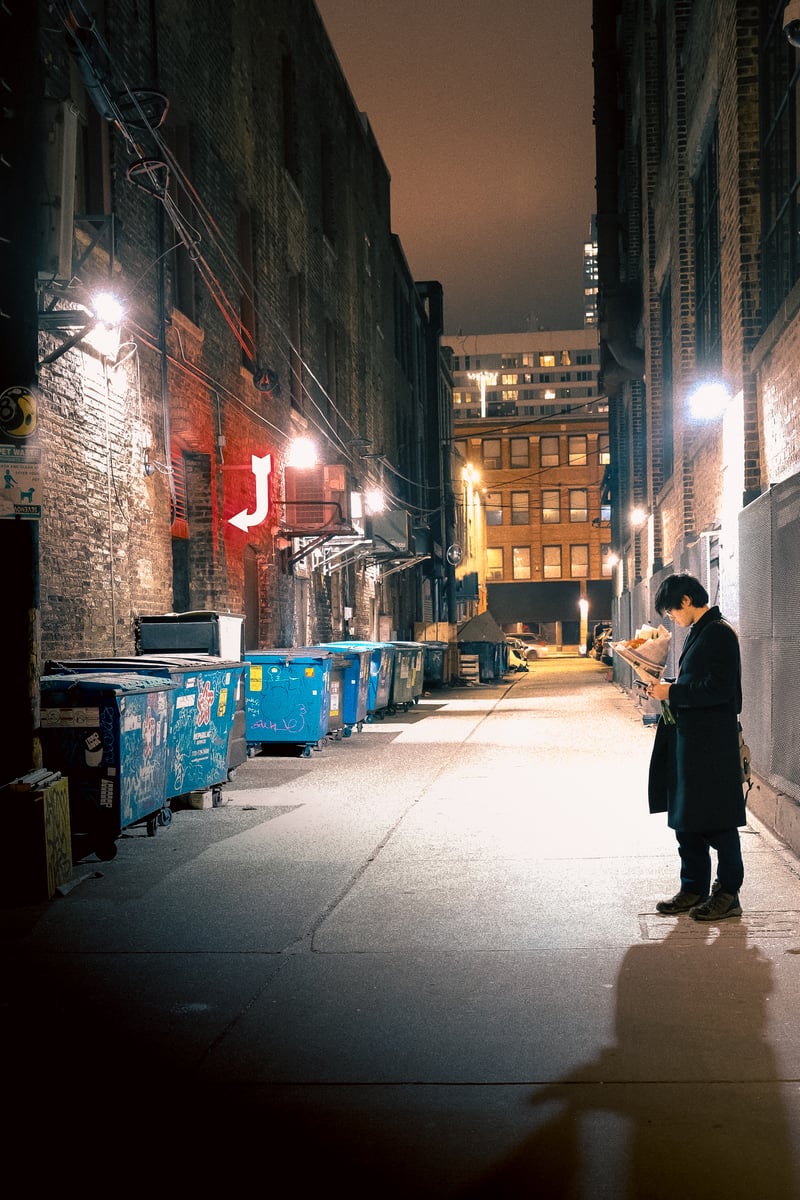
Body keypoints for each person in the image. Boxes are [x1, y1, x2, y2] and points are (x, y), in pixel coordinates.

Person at [646, 573, 746, 921]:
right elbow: (698, 682)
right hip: (692, 742)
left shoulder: (718, 632)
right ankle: (693, 888)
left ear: (686, 601)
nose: (672, 617)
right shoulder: (701, 632)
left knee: (718, 822)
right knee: (687, 819)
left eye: (672, 610)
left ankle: (728, 893)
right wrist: (668, 686)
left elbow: (719, 691)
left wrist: (671, 692)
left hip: (712, 746)